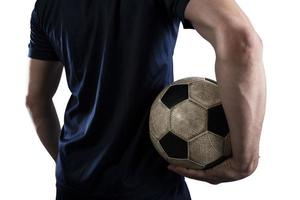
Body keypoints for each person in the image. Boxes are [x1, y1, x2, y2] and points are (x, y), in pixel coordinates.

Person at [25, 0, 266, 199]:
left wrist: (68, 164)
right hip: (151, 186)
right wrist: (244, 160)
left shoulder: (46, 5)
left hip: (75, 186)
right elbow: (241, 39)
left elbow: (36, 100)